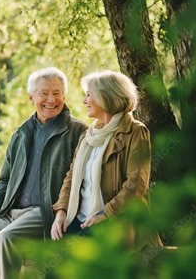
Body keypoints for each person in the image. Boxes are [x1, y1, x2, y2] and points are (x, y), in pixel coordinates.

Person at [0, 67, 87, 279]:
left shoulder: (78, 132)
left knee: (7, 238)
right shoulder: (21, 134)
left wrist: (61, 211)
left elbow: (79, 182)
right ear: (31, 97)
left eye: (57, 93)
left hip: (44, 212)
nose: (51, 99)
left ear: (64, 96)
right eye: (44, 93)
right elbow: (4, 182)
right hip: (9, 213)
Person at [51, 70, 162, 250]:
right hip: (80, 220)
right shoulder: (88, 136)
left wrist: (106, 213)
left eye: (88, 95)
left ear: (105, 97)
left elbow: (136, 183)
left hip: (113, 222)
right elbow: (71, 177)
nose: (84, 101)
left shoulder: (135, 131)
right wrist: (61, 211)